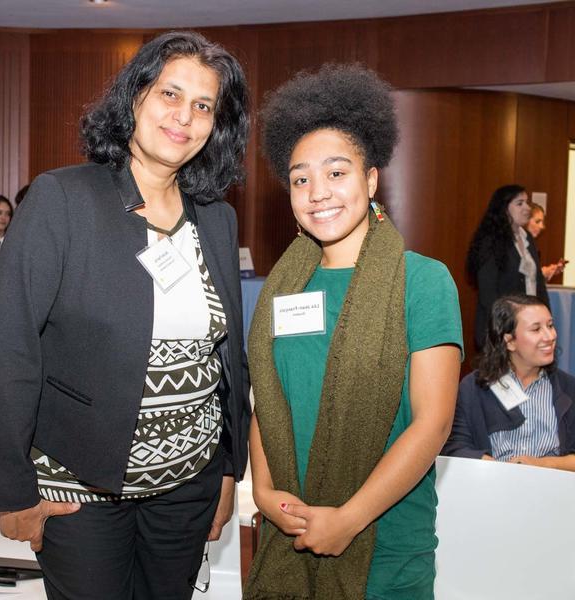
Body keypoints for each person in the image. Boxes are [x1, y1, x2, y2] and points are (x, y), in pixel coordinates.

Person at [0, 31, 251, 600]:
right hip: (80, 489)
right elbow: (9, 347)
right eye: (170, 95)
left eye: (203, 106)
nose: (185, 117)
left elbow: (229, 359)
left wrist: (228, 469)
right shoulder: (62, 199)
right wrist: (13, 492)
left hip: (188, 488)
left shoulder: (216, 221)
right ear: (134, 99)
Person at [244, 65, 462, 600]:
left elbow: (432, 425)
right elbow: (269, 402)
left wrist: (348, 518)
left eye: (337, 173)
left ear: (370, 180)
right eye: (300, 178)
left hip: (385, 541)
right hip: (287, 528)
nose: (318, 192)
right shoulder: (281, 287)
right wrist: (267, 495)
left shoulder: (423, 281)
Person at [443, 294, 575, 470]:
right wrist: (500, 471)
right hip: (491, 488)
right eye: (536, 329)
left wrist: (541, 464)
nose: (550, 336)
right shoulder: (473, 388)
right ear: (510, 341)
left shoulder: (567, 388)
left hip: (552, 490)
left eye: (550, 326)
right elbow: (454, 447)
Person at [467, 185, 548, 350]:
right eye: (520, 203)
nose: (527, 208)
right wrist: (508, 326)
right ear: (504, 209)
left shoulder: (528, 240)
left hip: (528, 327)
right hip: (502, 329)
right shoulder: (490, 241)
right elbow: (488, 293)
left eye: (527, 202)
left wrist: (544, 320)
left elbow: (538, 284)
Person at [525, 202, 566, 282]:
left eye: (542, 222)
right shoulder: (516, 245)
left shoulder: (531, 245)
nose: (542, 226)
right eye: (537, 221)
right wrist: (543, 273)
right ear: (525, 221)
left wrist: (548, 272)